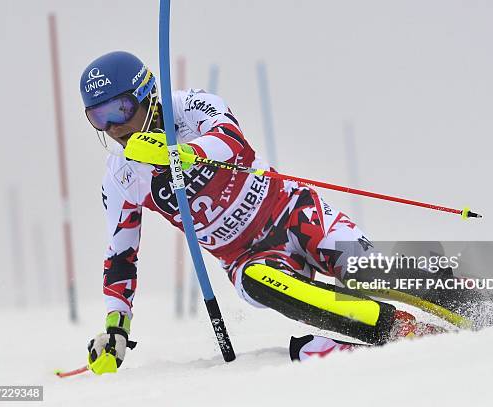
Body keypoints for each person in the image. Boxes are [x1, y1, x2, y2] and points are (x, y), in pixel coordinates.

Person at [79, 51, 439, 374]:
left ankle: (471, 301)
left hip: (292, 213)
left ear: (147, 95)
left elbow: (230, 139)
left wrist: (178, 153)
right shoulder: (121, 177)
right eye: (98, 117)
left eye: (120, 109)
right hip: (249, 258)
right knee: (258, 283)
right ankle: (398, 328)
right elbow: (121, 256)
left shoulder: (189, 105)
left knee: (369, 268)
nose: (114, 128)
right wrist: (116, 327)